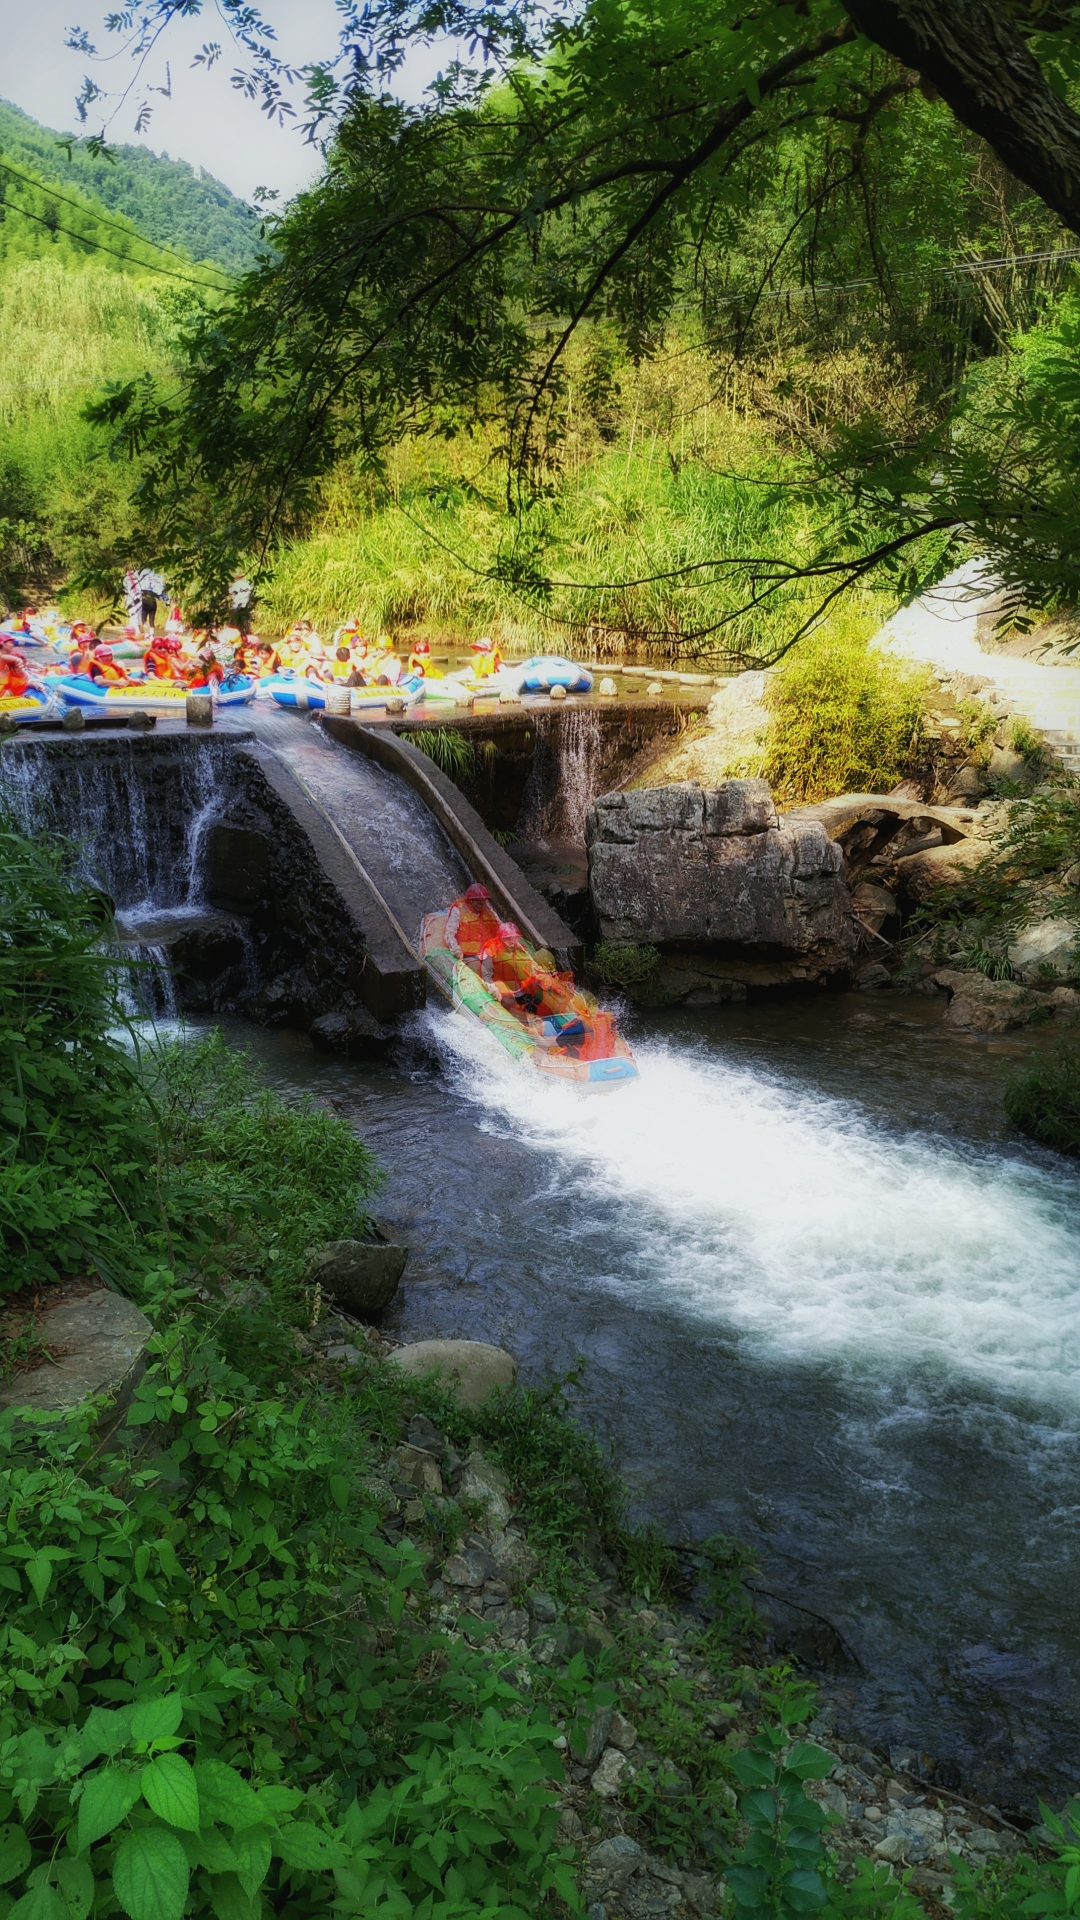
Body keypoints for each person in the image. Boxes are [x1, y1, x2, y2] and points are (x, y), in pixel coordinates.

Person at [444, 883, 500, 962]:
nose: (481, 903)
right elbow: (449, 933)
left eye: (483, 900)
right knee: (481, 969)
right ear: (470, 900)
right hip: (467, 954)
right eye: (477, 900)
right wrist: (456, 949)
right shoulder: (458, 910)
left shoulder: (488, 909)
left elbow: (499, 927)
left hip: (487, 953)